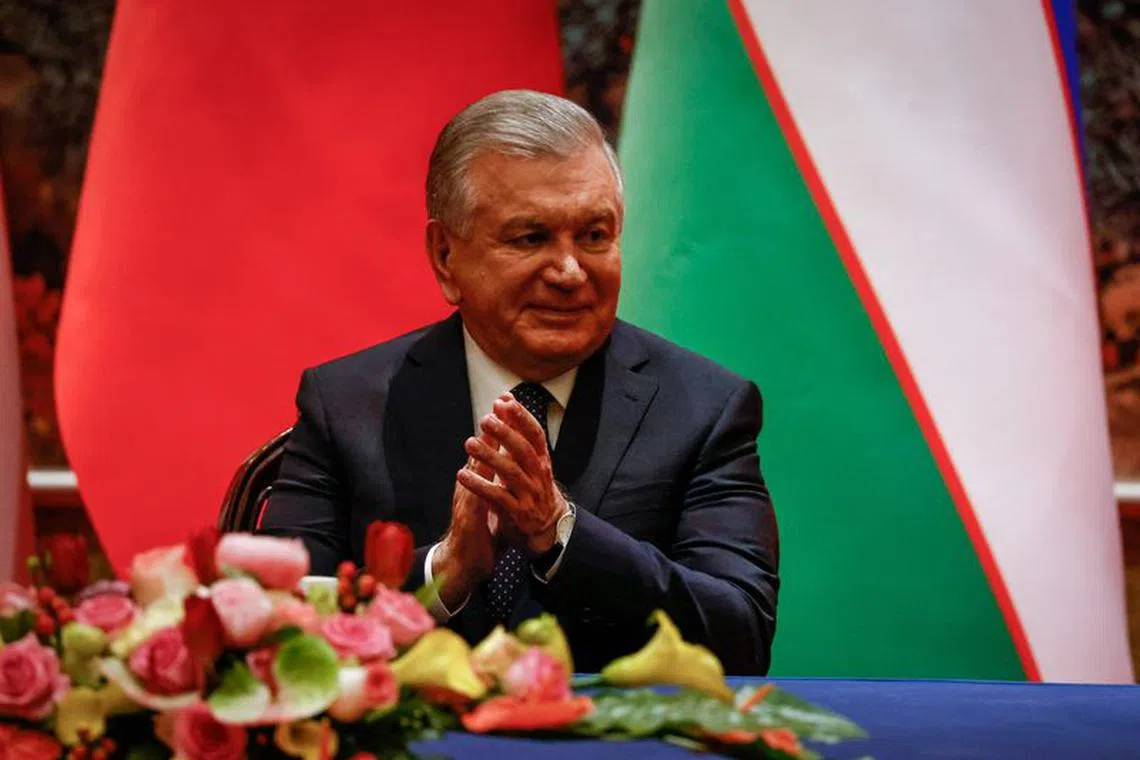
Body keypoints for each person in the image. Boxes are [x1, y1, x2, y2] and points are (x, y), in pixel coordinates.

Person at [260, 90, 779, 674]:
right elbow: (277, 630)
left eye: (594, 236)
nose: (569, 271)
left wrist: (562, 535)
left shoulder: (705, 410)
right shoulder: (346, 405)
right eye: (531, 238)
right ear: (445, 255)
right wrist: (444, 576)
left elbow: (741, 636)